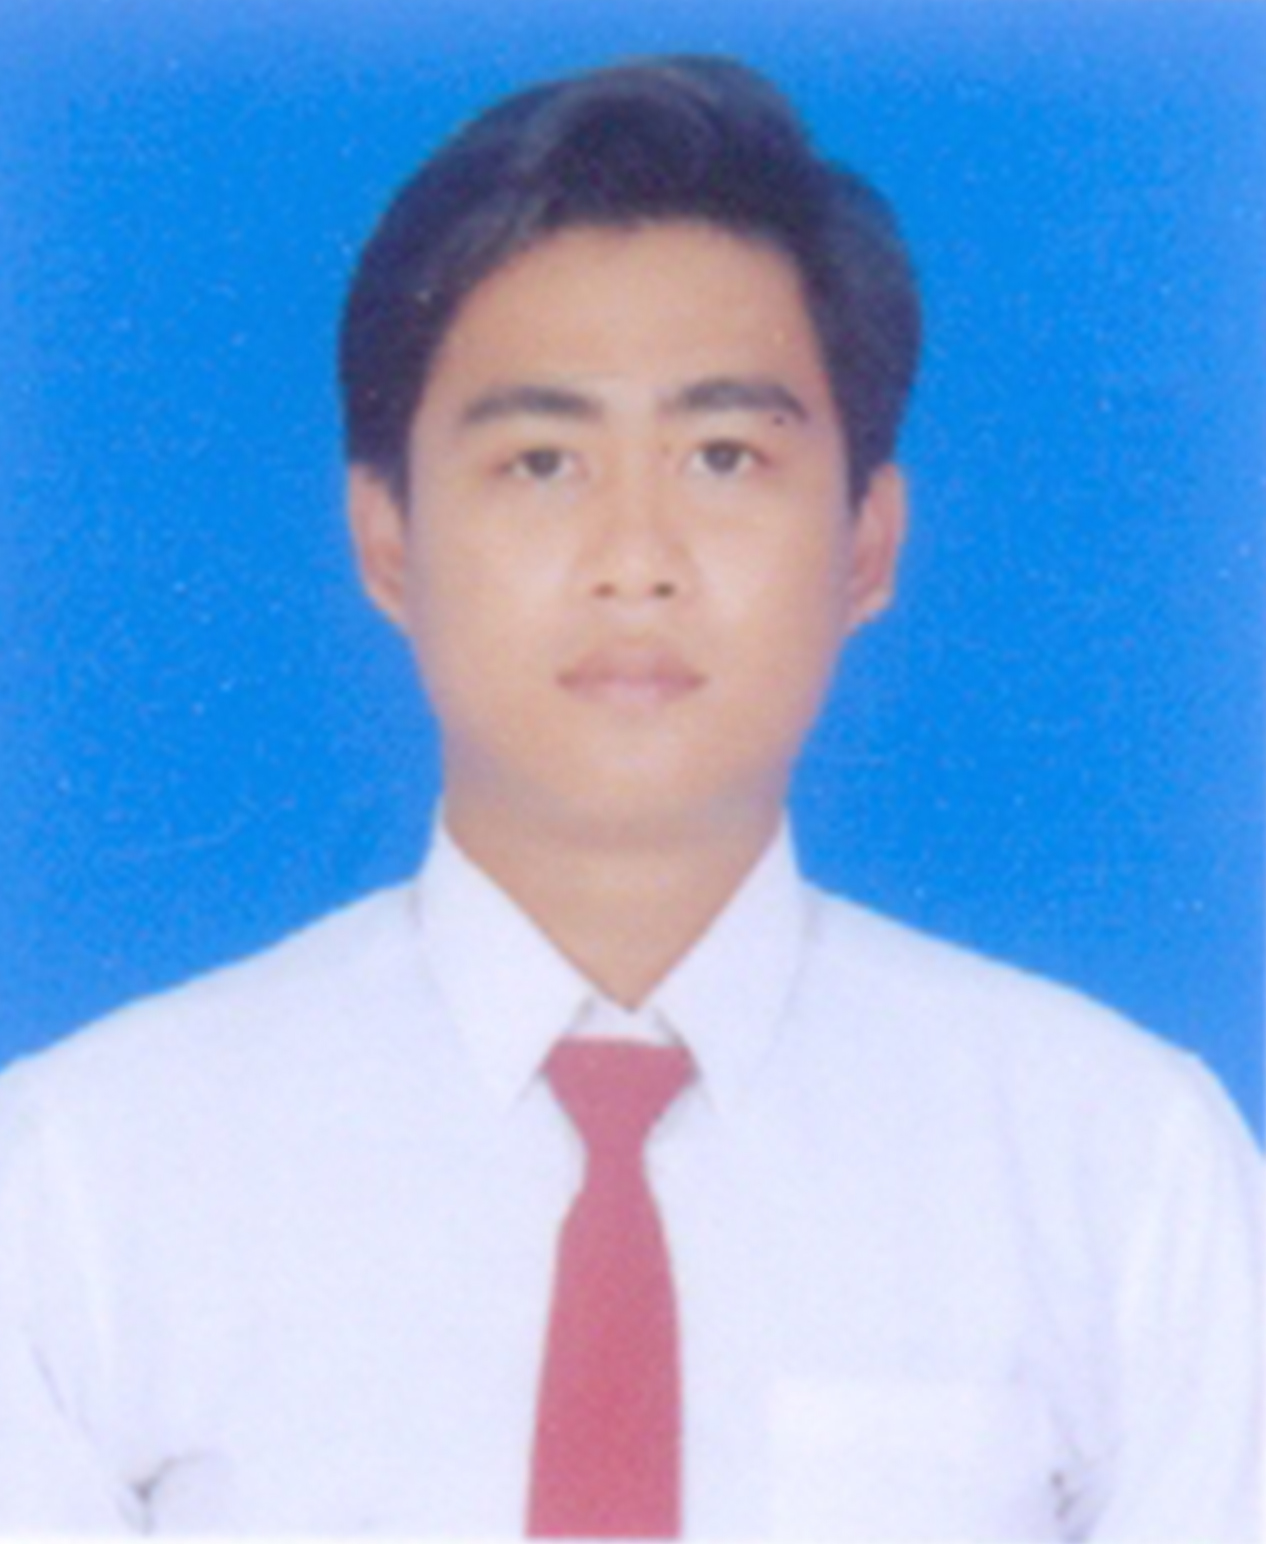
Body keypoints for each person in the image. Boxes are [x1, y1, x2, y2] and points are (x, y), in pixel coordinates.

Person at [0, 55, 1258, 1541]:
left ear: (865, 543)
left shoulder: (1123, 1172)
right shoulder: (82, 1184)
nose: (636, 560)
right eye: (542, 463)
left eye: (723, 456)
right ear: (387, 540)